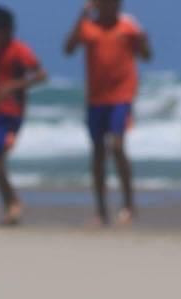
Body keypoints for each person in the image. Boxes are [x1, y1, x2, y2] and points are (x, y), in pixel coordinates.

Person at [64, 0, 152, 226]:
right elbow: (68, 49)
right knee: (98, 153)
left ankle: (128, 206)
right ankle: (101, 211)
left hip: (122, 96)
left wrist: (144, 40)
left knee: (118, 145)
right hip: (96, 99)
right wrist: (81, 15)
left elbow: (146, 55)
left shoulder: (129, 26)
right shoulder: (87, 26)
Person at [0, 6, 48, 226]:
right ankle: (10, 208)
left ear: (6, 29)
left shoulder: (20, 50)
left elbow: (41, 75)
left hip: (13, 115)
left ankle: (13, 202)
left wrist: (15, 85)